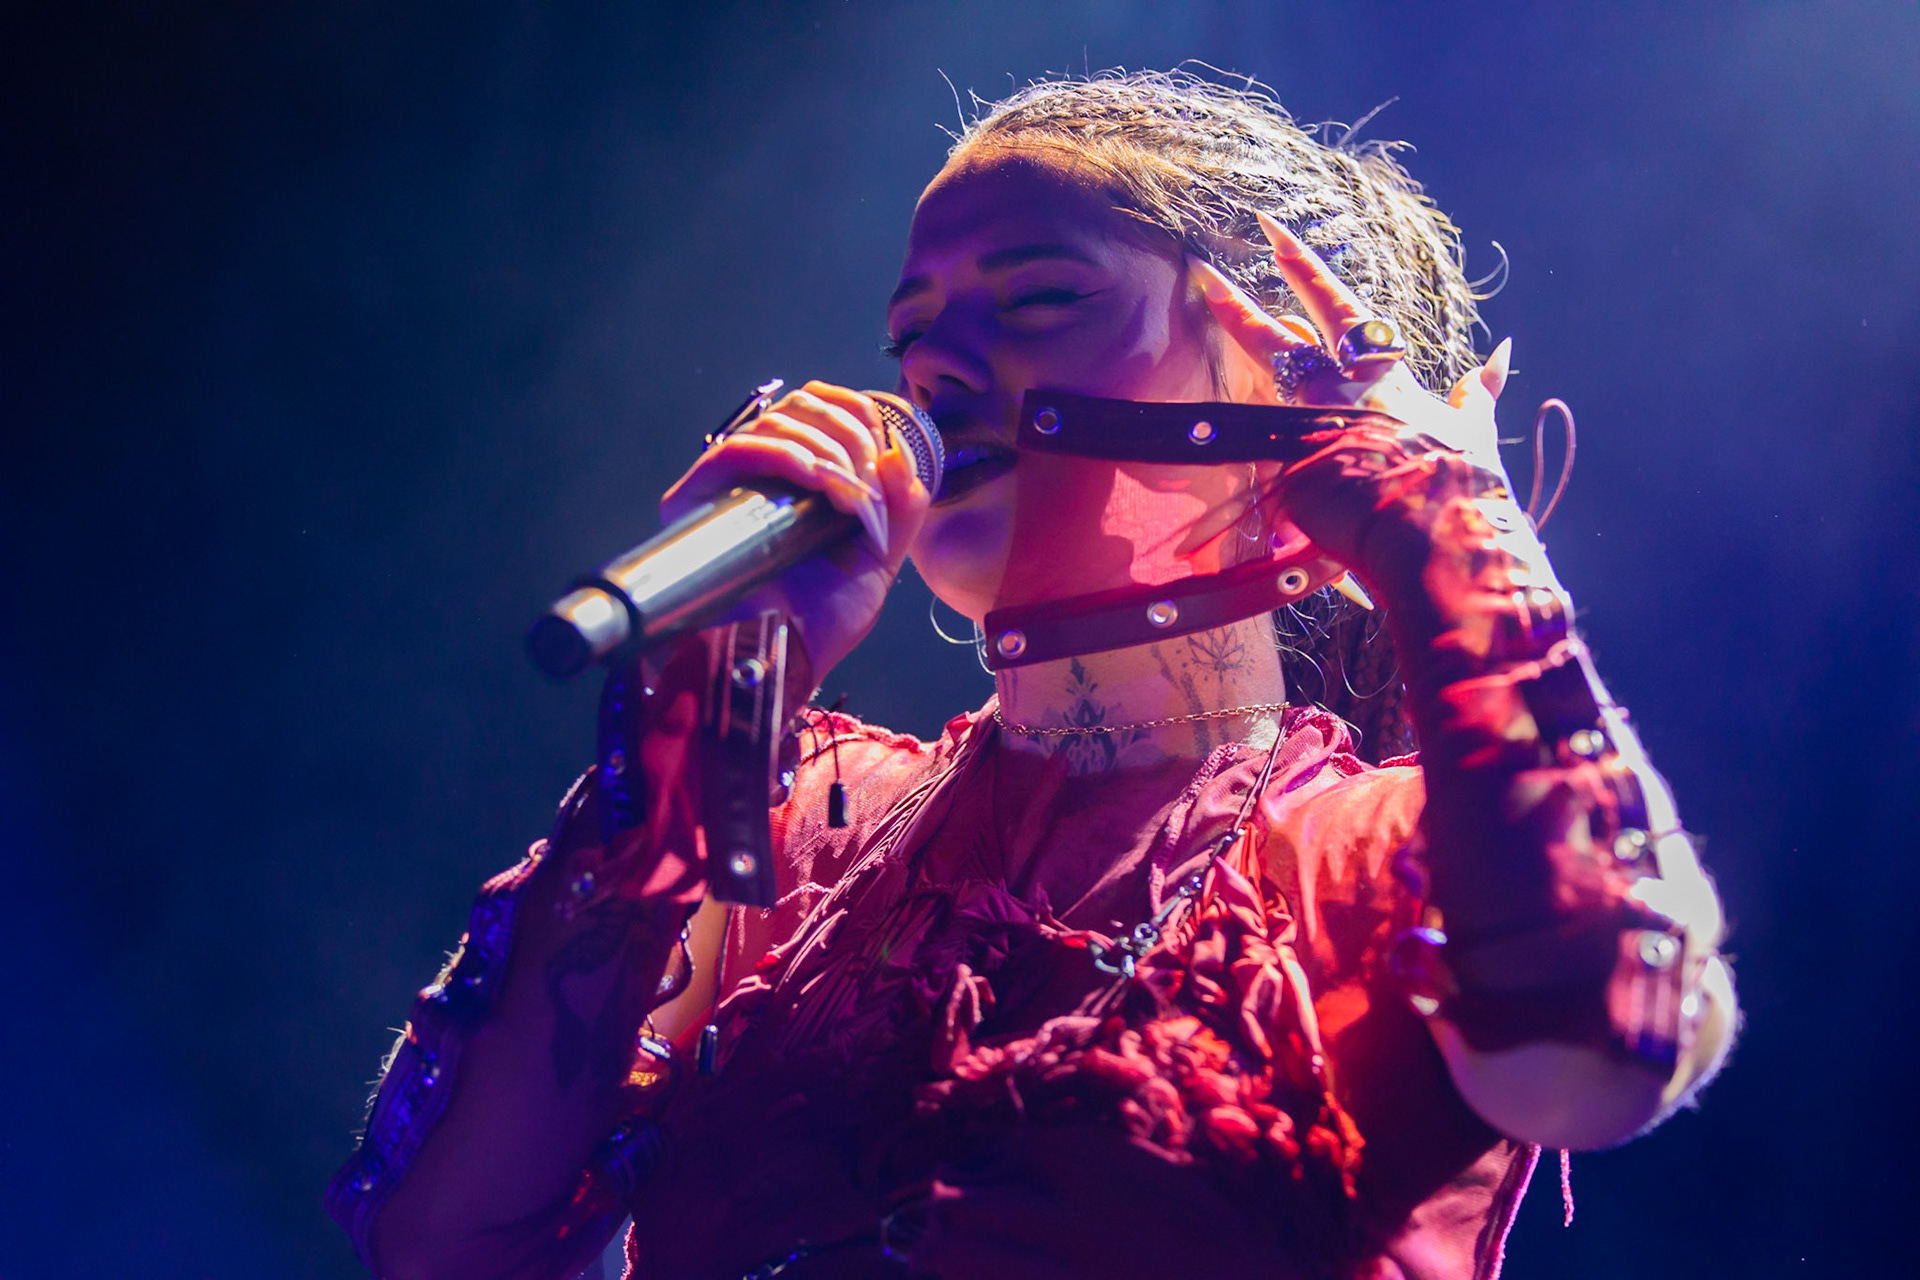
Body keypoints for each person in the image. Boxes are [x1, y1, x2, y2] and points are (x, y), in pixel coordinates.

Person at [329, 71, 1736, 1280]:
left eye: (1043, 295)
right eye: (910, 332)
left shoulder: (1373, 854)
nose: (934, 365)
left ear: (1279, 379)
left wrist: (1447, 523)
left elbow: (1606, 1040)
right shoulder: (804, 824)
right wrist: (705, 725)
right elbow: (442, 1244)